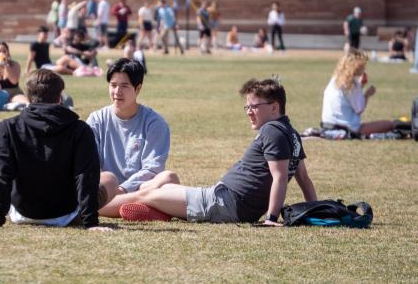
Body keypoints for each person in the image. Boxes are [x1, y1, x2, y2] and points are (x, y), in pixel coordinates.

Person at [119, 78, 317, 225]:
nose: (248, 111)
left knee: (145, 194)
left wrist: (271, 219)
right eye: (247, 106)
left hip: (223, 203)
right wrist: (314, 210)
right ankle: (163, 213)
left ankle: (96, 206)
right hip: (223, 199)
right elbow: (304, 179)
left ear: (274, 108)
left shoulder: (272, 130)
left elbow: (280, 177)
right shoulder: (291, 134)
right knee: (162, 185)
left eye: (254, 106)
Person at [0, 69, 107, 230]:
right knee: (109, 178)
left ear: (28, 97)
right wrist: (91, 223)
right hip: (65, 214)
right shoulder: (80, 130)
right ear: (60, 97)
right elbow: (86, 176)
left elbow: (0, 174)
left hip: (21, 213)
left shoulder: (9, 127)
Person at [87, 58, 174, 217]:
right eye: (113, 85)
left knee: (169, 177)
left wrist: (123, 189)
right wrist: (110, 188)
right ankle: (152, 207)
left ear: (138, 88)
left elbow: (152, 169)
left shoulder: (155, 123)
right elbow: (89, 162)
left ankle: (124, 205)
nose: (117, 92)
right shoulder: (96, 119)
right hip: (104, 190)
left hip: (140, 187)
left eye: (124, 86)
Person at [321, 50, 396, 137]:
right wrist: (367, 94)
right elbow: (359, 109)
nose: (365, 68)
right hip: (349, 128)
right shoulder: (352, 83)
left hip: (328, 124)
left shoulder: (335, 79)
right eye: (363, 65)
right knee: (389, 124)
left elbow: (350, 98)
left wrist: (361, 86)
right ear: (356, 66)